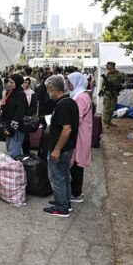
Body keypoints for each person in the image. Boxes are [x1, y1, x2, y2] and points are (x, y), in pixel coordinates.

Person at [42, 75, 79, 218]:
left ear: (53, 89)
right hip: (67, 147)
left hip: (61, 148)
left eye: (48, 89)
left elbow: (67, 129)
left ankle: (61, 207)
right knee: (64, 176)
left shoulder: (63, 104)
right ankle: (65, 202)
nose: (47, 92)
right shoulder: (69, 102)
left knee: (57, 177)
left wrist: (57, 149)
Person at [66, 72, 93, 204]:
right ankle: (76, 190)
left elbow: (76, 118)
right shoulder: (82, 94)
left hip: (80, 134)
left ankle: (76, 193)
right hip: (83, 132)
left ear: (76, 82)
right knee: (77, 163)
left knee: (76, 163)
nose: (68, 85)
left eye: (70, 82)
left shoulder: (81, 98)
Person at [0, 74, 28, 158]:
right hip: (9, 126)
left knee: (13, 154)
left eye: (12, 82)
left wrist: (11, 129)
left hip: (17, 129)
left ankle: (16, 170)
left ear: (17, 83)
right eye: (9, 82)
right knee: (10, 150)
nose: (9, 84)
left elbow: (19, 114)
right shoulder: (10, 92)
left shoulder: (21, 94)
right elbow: (10, 109)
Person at [100, 61, 126, 128]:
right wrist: (101, 89)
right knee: (106, 108)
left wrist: (123, 86)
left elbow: (127, 80)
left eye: (108, 65)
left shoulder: (120, 74)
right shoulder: (107, 75)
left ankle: (109, 121)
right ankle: (105, 122)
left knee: (112, 109)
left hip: (114, 94)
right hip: (107, 94)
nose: (106, 67)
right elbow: (102, 84)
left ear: (112, 66)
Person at [21, 77, 38, 155]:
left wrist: (28, 113)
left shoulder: (32, 93)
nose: (26, 84)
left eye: (28, 83)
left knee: (26, 136)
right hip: (19, 116)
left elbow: (34, 106)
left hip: (27, 117)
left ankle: (26, 152)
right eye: (25, 82)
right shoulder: (19, 92)